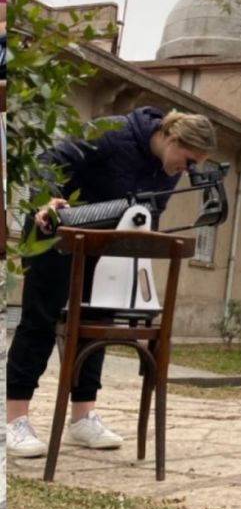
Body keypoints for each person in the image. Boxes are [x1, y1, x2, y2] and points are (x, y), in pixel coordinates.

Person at [6, 106, 217, 458]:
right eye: (188, 159)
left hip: (104, 249)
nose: (188, 169)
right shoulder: (112, 132)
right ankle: (14, 419)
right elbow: (47, 160)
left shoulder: (168, 169)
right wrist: (47, 200)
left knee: (97, 326)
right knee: (39, 322)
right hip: (54, 237)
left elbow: (148, 216)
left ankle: (83, 417)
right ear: (172, 138)